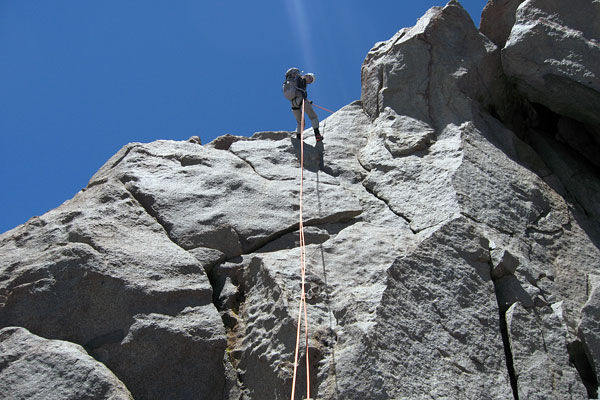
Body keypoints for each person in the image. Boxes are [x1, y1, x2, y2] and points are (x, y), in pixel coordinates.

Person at [284, 68, 322, 142]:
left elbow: (298, 90)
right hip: (300, 100)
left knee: (300, 122)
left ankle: (298, 137)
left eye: (311, 81)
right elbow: (302, 92)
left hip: (293, 103)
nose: (310, 81)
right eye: (310, 79)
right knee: (313, 117)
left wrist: (307, 100)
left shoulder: (294, 81)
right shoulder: (302, 80)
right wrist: (305, 99)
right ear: (306, 76)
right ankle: (317, 135)